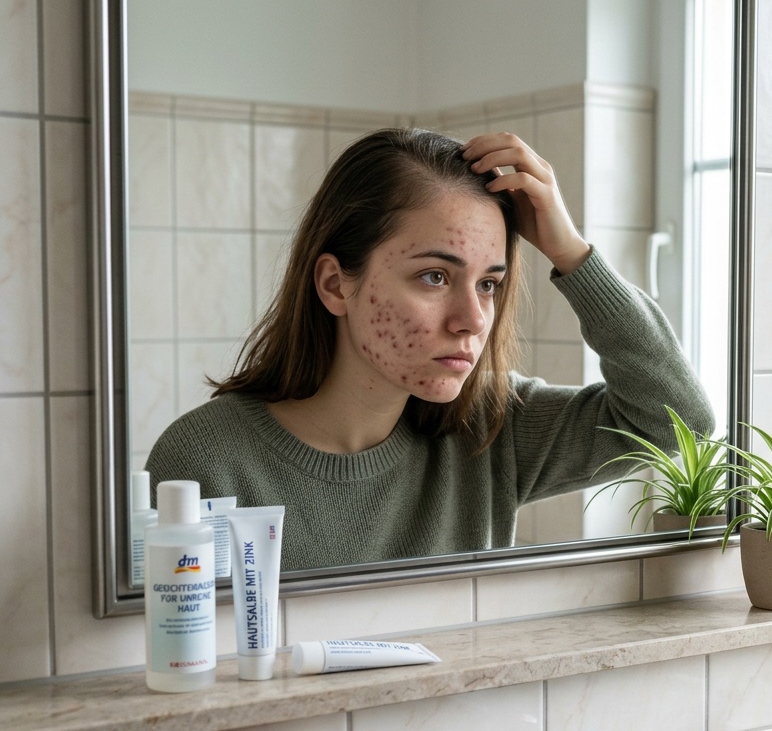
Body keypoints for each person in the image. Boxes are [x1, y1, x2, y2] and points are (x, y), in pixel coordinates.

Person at [146, 129, 714, 570]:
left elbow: (678, 421)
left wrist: (571, 252)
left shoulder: (489, 429)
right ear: (335, 284)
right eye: (434, 277)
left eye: (488, 284)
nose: (473, 320)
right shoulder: (204, 461)